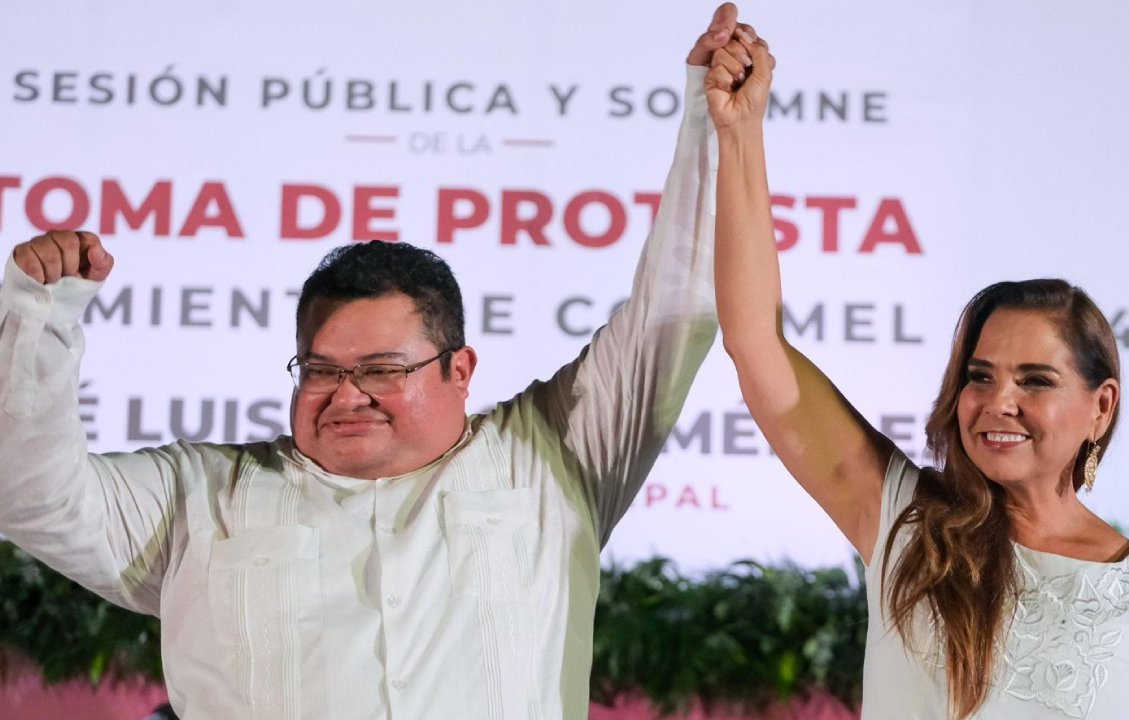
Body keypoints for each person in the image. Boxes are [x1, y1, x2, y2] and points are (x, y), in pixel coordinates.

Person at [0, 6, 755, 719]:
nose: (345, 394)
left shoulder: (554, 455)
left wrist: (709, 124)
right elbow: (27, 492)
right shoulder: (199, 498)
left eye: (383, 369)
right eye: (320, 369)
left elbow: (674, 311)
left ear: (459, 371)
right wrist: (39, 315)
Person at [706, 27, 1129, 720]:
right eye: (979, 375)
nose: (999, 402)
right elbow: (755, 340)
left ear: (1101, 405)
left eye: (1035, 380)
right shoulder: (904, 523)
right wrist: (739, 133)